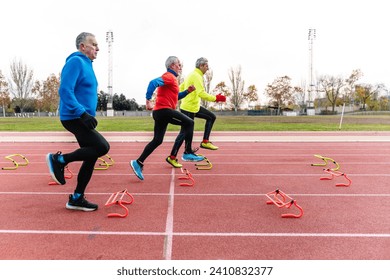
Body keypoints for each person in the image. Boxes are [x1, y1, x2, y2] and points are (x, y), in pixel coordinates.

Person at [46, 32, 110, 211]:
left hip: (82, 117)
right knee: (102, 147)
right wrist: (82, 113)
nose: (98, 48)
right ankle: (59, 160)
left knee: (91, 155)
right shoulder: (75, 62)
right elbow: (65, 91)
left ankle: (77, 197)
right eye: (94, 44)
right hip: (74, 117)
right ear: (83, 46)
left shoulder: (87, 65)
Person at [130, 56, 204, 181]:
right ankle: (188, 153)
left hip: (160, 112)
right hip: (164, 111)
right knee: (189, 122)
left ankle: (138, 162)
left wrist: (187, 91)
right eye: (179, 65)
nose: (180, 67)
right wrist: (148, 101)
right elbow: (153, 83)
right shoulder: (169, 76)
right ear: (172, 65)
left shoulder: (173, 80)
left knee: (157, 140)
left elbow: (175, 96)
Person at [179, 57, 226, 150]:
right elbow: (201, 93)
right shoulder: (196, 76)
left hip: (193, 106)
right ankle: (176, 155)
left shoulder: (192, 74)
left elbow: (181, 87)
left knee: (211, 117)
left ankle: (204, 142)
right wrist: (215, 98)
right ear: (201, 66)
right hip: (189, 107)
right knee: (185, 132)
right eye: (206, 66)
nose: (207, 68)